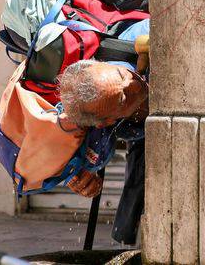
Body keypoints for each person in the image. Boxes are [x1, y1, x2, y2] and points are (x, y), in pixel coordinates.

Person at [58, 18, 150, 244]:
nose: (133, 84)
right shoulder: (99, 130)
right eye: (123, 98)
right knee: (139, 180)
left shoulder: (136, 41)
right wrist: (80, 177)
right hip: (145, 134)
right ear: (106, 122)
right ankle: (124, 243)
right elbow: (81, 164)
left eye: (121, 75)